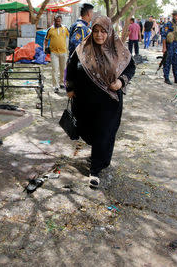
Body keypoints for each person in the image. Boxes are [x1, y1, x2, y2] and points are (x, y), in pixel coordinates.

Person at [66, 16, 136, 188]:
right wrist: (70, 88)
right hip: (85, 101)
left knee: (104, 133)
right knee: (90, 132)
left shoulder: (118, 49)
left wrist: (120, 82)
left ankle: (95, 170)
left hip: (109, 103)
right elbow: (71, 66)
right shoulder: (83, 48)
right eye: (96, 31)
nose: (99, 35)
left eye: (103, 31)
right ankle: (102, 158)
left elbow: (131, 67)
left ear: (109, 32)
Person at [44, 15, 69, 93]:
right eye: (56, 21)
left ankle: (62, 83)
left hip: (64, 52)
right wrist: (45, 48)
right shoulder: (50, 29)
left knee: (63, 69)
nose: (58, 22)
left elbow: (70, 37)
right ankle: (55, 86)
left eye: (59, 21)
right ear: (54, 20)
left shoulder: (65, 28)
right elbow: (46, 39)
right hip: (54, 53)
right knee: (55, 69)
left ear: (61, 21)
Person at [162, 9, 177, 85]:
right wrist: (164, 47)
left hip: (175, 47)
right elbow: (164, 36)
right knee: (167, 62)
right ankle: (166, 78)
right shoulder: (168, 24)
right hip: (169, 46)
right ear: (173, 16)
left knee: (176, 63)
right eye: (176, 16)